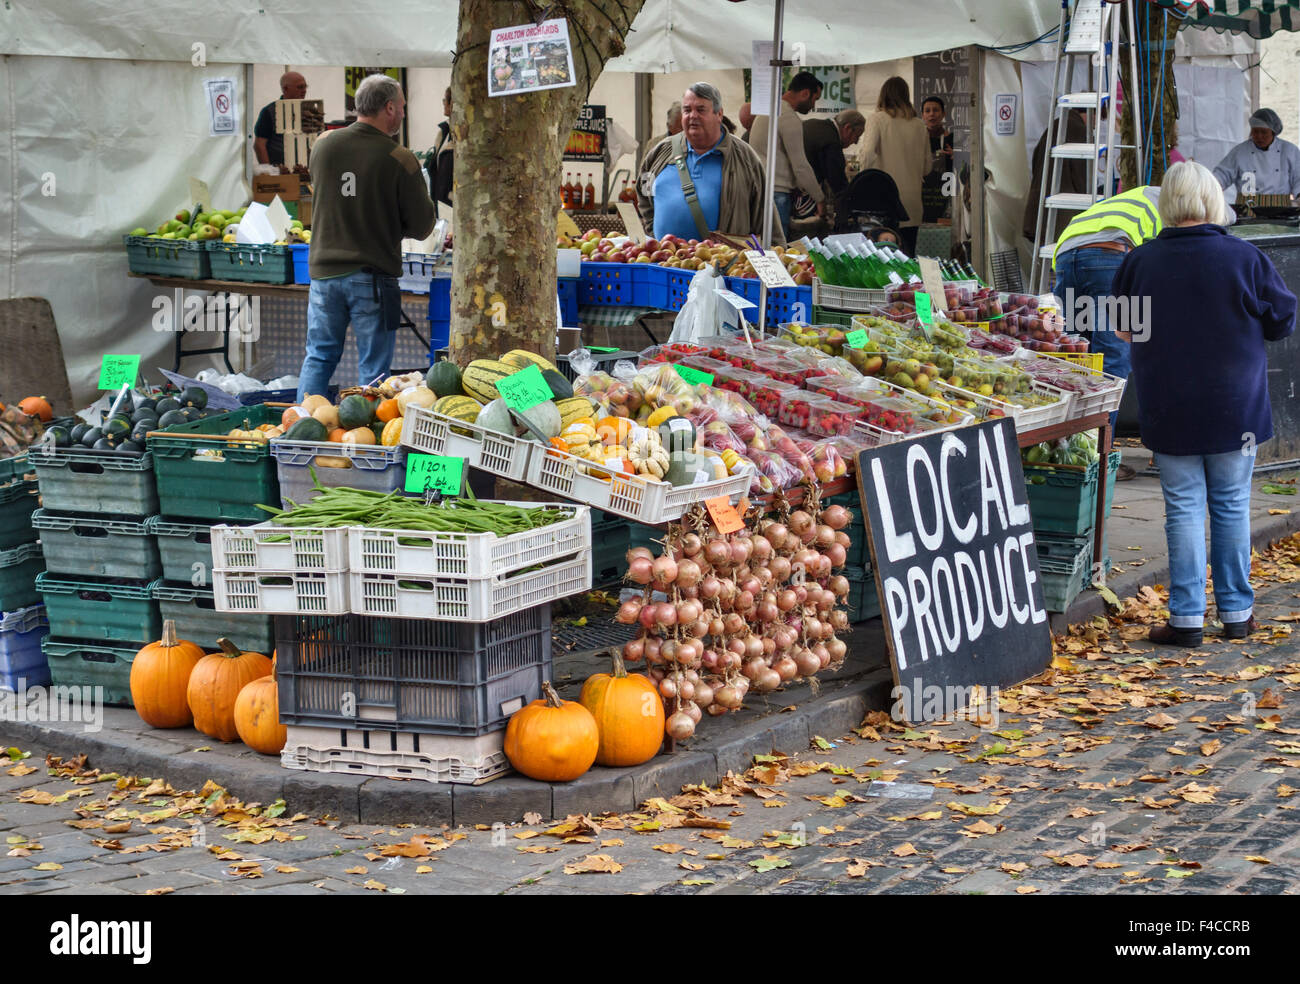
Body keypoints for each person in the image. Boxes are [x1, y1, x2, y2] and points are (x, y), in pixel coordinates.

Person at [1111, 161, 1296, 646]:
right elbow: (1282, 319)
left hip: (1169, 405)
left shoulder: (1140, 260)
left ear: (1166, 204)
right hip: (1237, 409)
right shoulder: (1245, 257)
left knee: (1183, 508)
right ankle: (1237, 614)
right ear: (1213, 200)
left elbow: (1124, 328)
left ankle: (1187, 618)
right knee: (1233, 506)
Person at [296, 75, 436, 402]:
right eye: (401, 107)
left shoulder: (323, 145)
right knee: (373, 370)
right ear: (389, 108)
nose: (402, 113)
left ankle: (298, 426)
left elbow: (329, 195)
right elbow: (422, 227)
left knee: (318, 356)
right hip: (372, 277)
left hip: (324, 274)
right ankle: (366, 437)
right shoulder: (400, 158)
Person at [1050, 182, 1165, 463]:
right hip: (1109, 259)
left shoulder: (1123, 202)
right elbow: (1161, 261)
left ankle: (1062, 450)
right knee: (1115, 356)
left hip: (1066, 259)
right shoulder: (1174, 206)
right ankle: (1099, 455)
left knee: (1074, 355)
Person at [638, 82, 770, 242]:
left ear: (719, 114)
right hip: (663, 262)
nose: (692, 116)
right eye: (687, 110)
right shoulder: (660, 152)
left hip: (722, 263)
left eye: (700, 110)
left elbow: (765, 215)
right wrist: (652, 229)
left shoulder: (744, 157)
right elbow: (644, 190)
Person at [744, 72, 826, 237]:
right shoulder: (788, 117)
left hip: (758, 190)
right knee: (778, 249)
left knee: (763, 248)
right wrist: (820, 198)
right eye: (814, 99)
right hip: (777, 194)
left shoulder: (766, 112)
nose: (813, 106)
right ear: (804, 93)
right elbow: (800, 166)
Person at [857, 77, 929, 255]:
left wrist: (863, 181)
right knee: (908, 256)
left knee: (884, 261)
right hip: (912, 204)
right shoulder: (920, 125)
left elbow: (867, 154)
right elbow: (927, 167)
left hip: (884, 203)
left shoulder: (877, 119)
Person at [1023, 109, 1088, 245]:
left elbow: (1035, 158)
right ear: (1090, 112)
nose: (1095, 124)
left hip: (1040, 206)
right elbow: (1082, 176)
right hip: (1063, 215)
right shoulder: (1080, 131)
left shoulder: (1055, 126)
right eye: (1097, 117)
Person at [1212, 108, 1300, 200]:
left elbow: (1298, 177)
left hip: (1281, 207)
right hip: (1247, 207)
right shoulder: (1240, 152)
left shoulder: (1289, 150)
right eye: (1255, 131)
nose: (1259, 136)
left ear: (1273, 132)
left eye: (1264, 132)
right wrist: (1209, 188)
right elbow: (1222, 174)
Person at [803, 109, 865, 204]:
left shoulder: (812, 123)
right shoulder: (832, 143)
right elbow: (838, 184)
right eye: (857, 136)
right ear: (847, 128)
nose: (856, 143)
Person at [254, 71, 308, 171]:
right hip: (281, 172)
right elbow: (259, 145)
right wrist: (269, 172)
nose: (304, 90)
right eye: (300, 87)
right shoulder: (269, 111)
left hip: (307, 171)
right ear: (285, 89)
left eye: (305, 87)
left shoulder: (309, 110)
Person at [920, 96, 954, 223]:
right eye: (927, 111)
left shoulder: (952, 139)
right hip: (923, 195)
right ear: (922, 115)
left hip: (945, 195)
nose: (931, 114)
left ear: (943, 114)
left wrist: (955, 156)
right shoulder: (917, 140)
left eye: (936, 110)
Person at [431, 87, 454, 215]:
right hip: (440, 207)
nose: (444, 103)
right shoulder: (444, 132)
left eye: (445, 100)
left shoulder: (465, 137)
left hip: (453, 207)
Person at [640, 102, 683, 167]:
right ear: (669, 126)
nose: (685, 131)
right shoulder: (653, 144)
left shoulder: (692, 145)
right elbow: (643, 171)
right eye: (681, 127)